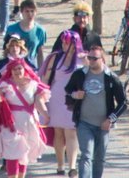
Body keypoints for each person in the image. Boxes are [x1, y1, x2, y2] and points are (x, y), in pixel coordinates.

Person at [62, 42, 126, 178]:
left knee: (99, 158)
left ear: (102, 59)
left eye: (94, 58)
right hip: (84, 122)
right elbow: (67, 91)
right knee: (86, 155)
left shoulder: (111, 78)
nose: (90, 61)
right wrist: (75, 95)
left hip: (103, 125)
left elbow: (123, 103)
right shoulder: (79, 74)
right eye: (89, 57)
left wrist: (111, 119)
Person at [0, 51, 50, 177]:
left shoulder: (33, 85)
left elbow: (39, 101)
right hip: (10, 124)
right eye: (14, 69)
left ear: (24, 69)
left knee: (24, 153)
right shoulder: (5, 85)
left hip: (28, 123)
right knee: (12, 154)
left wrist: (46, 115)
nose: (17, 71)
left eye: (19, 68)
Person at [40, 29, 86, 173]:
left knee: (71, 132)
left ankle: (72, 166)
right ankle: (60, 165)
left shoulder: (83, 59)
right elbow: (46, 78)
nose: (65, 45)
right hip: (55, 98)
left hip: (73, 100)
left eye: (68, 42)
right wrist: (42, 94)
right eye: (64, 42)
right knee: (58, 132)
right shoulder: (55, 57)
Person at [3, 0, 49, 66]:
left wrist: (41, 71)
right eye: (27, 11)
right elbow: (6, 50)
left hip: (31, 67)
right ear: (21, 12)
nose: (30, 14)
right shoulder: (11, 29)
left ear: (36, 12)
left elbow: (40, 53)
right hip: (14, 67)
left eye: (32, 11)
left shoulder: (40, 31)